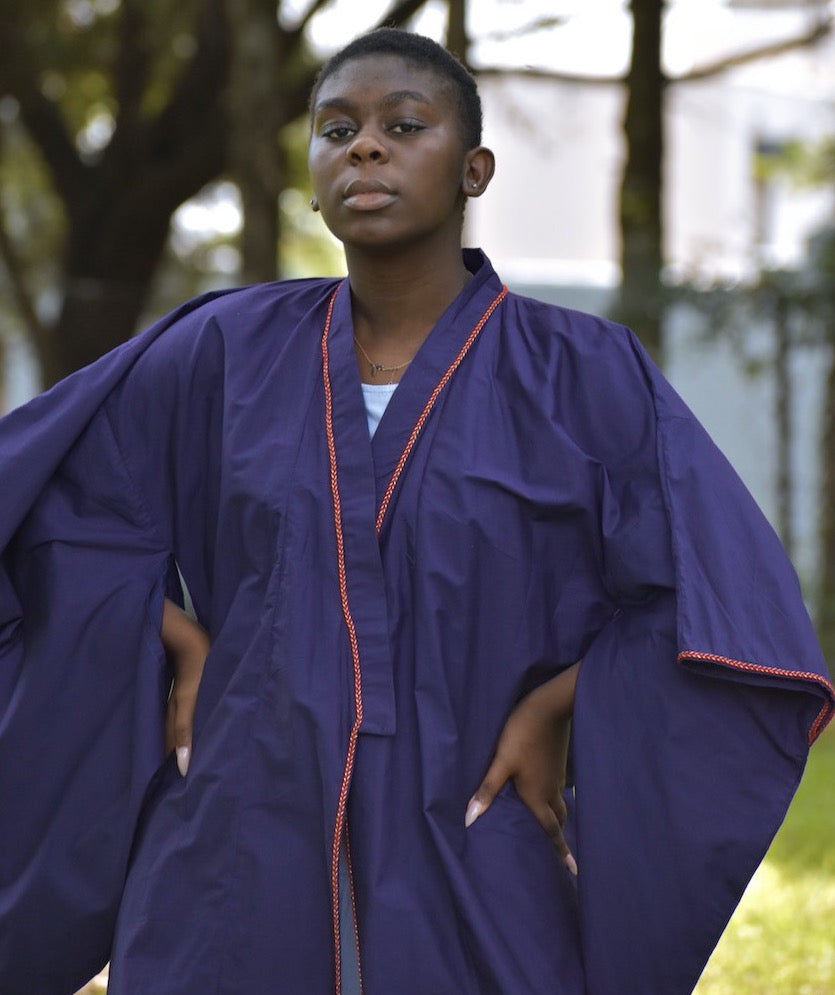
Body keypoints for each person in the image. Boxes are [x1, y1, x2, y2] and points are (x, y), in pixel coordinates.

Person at [0, 26, 832, 995]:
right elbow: (55, 506)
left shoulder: (583, 374)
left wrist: (565, 701)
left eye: (403, 125)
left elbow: (704, 594)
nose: (364, 146)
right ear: (310, 178)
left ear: (473, 168)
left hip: (476, 821)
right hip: (236, 819)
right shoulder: (219, 352)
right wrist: (167, 637)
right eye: (335, 129)